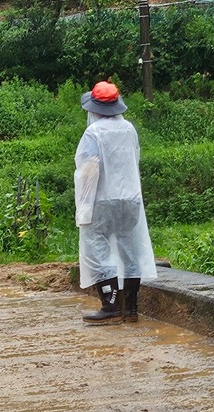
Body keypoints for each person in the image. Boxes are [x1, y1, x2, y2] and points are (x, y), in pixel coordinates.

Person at [74, 81, 157, 325]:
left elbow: (89, 168)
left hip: (102, 199)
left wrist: (84, 205)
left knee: (97, 247)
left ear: (94, 108)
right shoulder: (129, 129)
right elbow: (134, 159)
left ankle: (110, 306)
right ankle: (130, 308)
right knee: (129, 249)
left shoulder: (94, 133)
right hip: (130, 198)